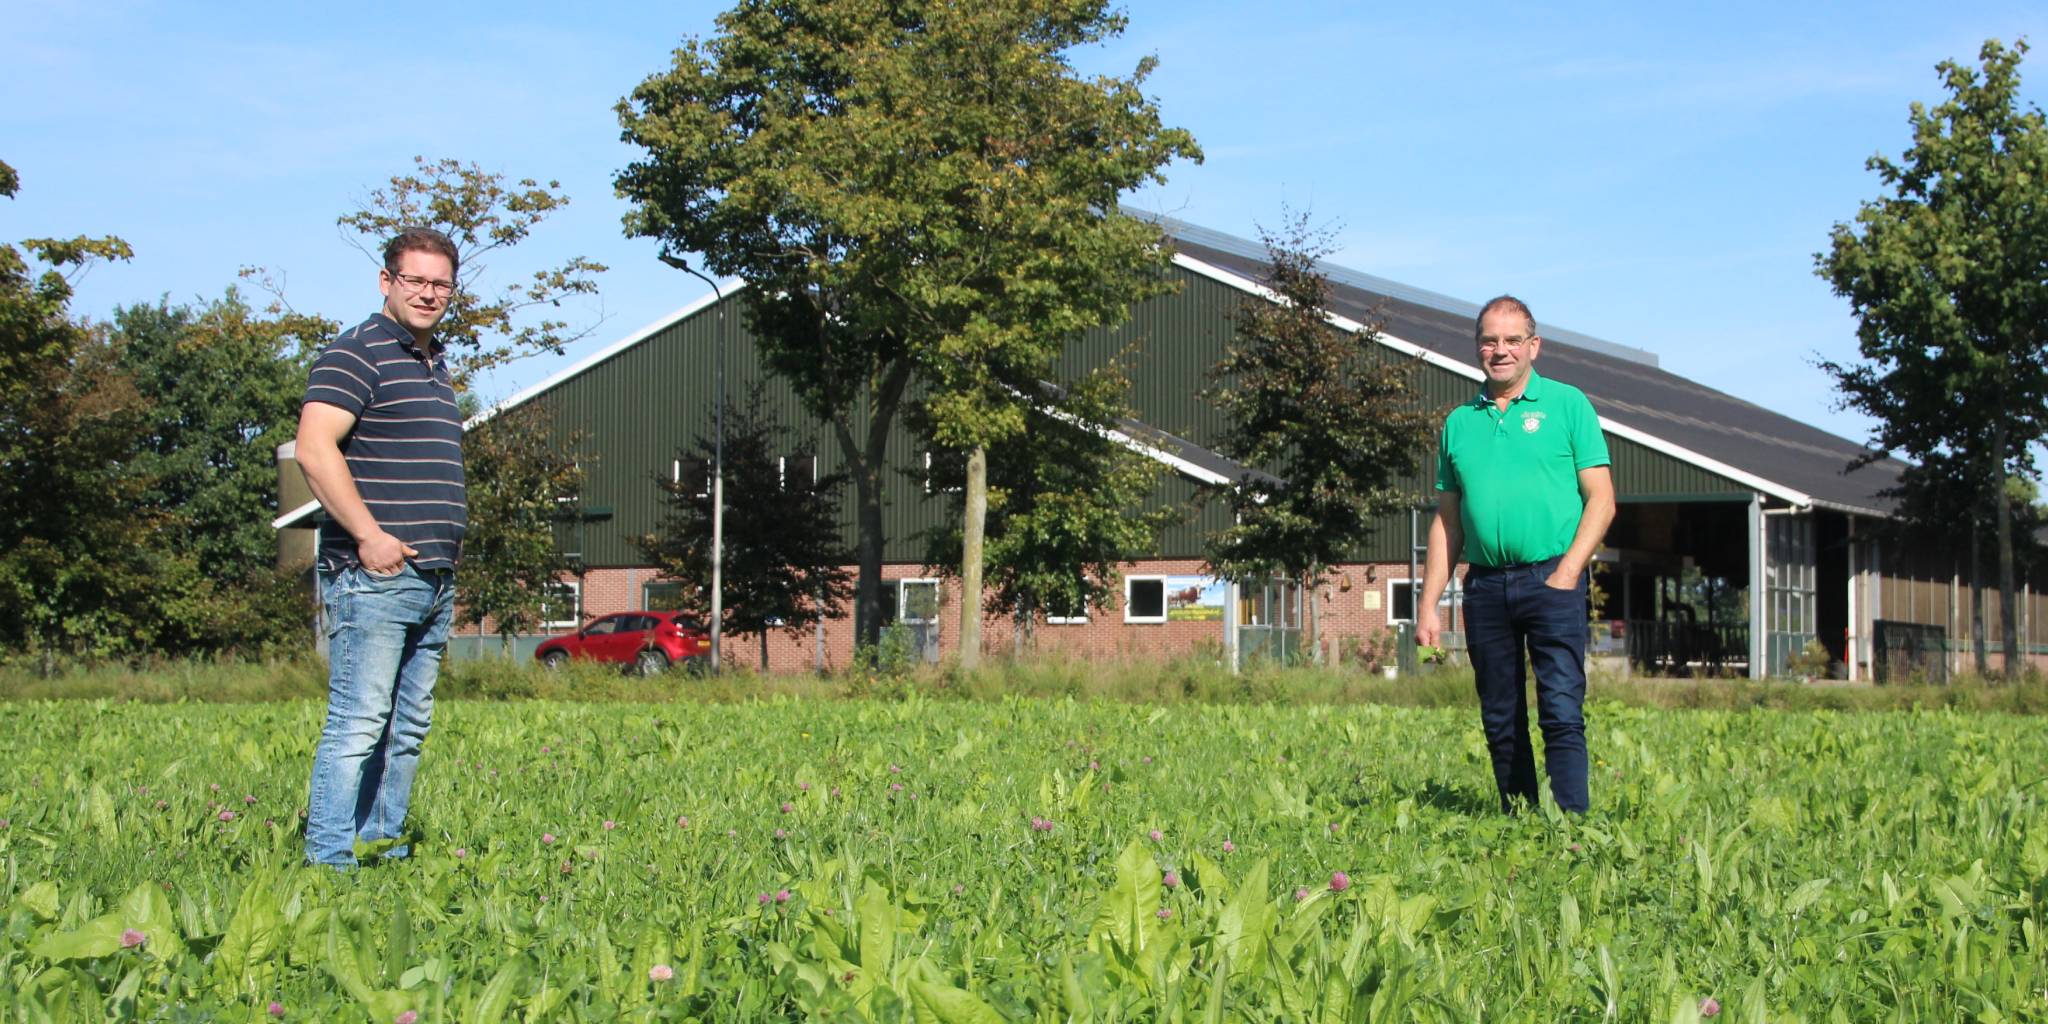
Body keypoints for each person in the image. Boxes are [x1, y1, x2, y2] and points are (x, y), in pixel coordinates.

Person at [297, 227, 466, 866]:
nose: (428, 293)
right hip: (375, 576)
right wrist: (369, 536)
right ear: (385, 281)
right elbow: (315, 448)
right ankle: (329, 866)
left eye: (440, 282)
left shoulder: (433, 362)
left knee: (406, 731)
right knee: (360, 726)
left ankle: (381, 848)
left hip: (432, 576)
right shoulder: (356, 353)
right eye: (415, 280)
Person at [1416, 296, 1614, 814]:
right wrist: (1428, 603)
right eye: (1489, 340)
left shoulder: (1568, 406)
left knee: (1561, 710)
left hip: (1552, 578)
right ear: (1478, 346)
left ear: (1533, 346)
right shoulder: (1459, 422)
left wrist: (1569, 571)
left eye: (1511, 340)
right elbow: (1448, 521)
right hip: (1484, 586)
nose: (1499, 351)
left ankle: (1572, 826)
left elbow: (1602, 499)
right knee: (1500, 714)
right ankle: (1520, 818)